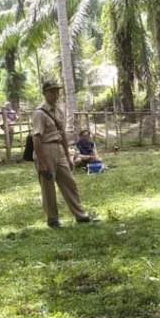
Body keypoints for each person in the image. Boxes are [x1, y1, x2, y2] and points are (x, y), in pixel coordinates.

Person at [32, 80, 97, 227]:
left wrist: (68, 156)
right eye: (52, 91)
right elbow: (36, 138)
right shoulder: (39, 113)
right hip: (45, 149)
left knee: (70, 182)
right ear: (45, 93)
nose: (55, 94)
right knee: (48, 186)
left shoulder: (59, 111)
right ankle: (53, 219)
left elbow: (62, 134)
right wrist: (42, 162)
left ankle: (80, 214)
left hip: (59, 149)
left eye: (57, 91)